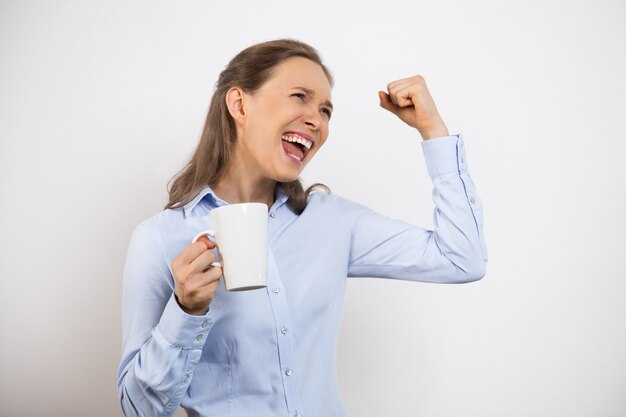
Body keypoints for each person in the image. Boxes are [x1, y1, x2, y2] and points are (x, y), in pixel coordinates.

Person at [117, 38, 487, 417]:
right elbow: (138, 408)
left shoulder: (332, 222)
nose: (317, 120)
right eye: (300, 96)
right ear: (239, 104)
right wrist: (185, 311)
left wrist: (433, 131)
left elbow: (462, 259)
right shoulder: (159, 239)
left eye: (326, 110)